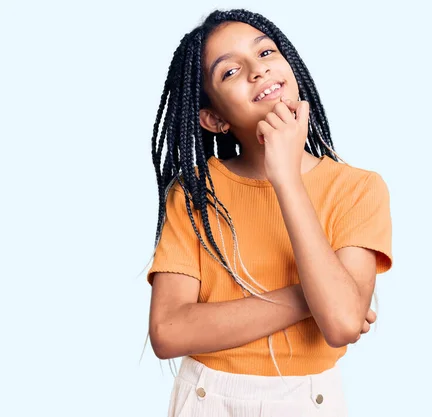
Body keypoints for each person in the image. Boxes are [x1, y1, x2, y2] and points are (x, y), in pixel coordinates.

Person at [144, 8, 393, 416]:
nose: (257, 71)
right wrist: (313, 296)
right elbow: (168, 332)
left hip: (310, 400)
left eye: (265, 53)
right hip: (207, 399)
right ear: (214, 118)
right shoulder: (194, 192)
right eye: (229, 72)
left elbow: (342, 326)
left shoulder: (358, 188)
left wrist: (287, 180)